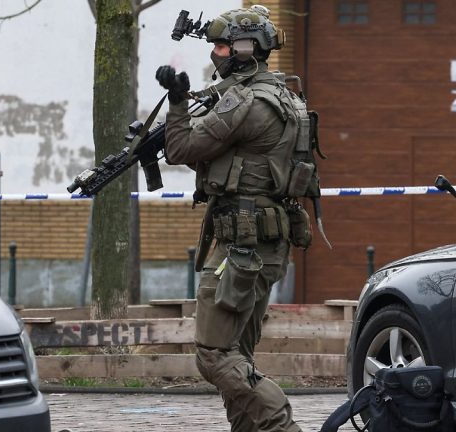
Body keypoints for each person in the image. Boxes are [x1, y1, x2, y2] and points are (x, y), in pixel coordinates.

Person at [156, 6, 306, 432]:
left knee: (214, 355)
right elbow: (231, 159)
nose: (215, 54)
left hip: (241, 244)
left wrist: (178, 101)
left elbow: (183, 148)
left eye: (221, 46)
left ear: (246, 50)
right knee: (237, 352)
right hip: (267, 243)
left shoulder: (244, 100)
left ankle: (282, 425)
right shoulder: (287, 97)